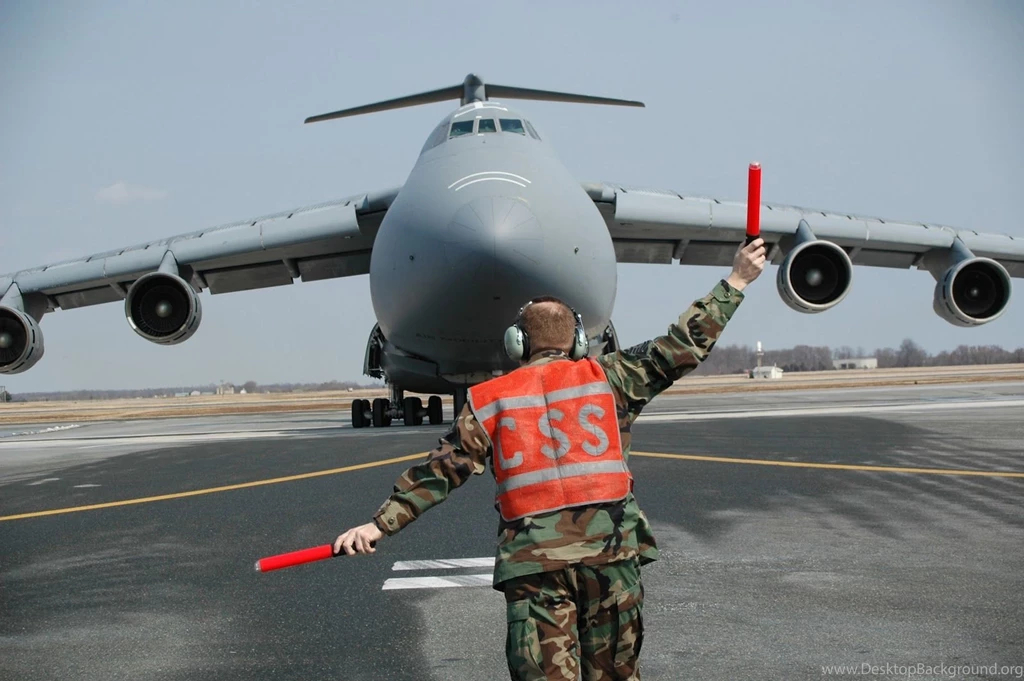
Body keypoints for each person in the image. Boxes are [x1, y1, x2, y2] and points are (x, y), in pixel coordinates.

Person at [335, 238, 767, 680]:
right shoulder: (611, 378)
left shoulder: (489, 400)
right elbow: (683, 345)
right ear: (578, 341)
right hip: (610, 557)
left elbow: (441, 470)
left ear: (516, 343)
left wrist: (379, 524)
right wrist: (737, 279)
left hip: (535, 568)